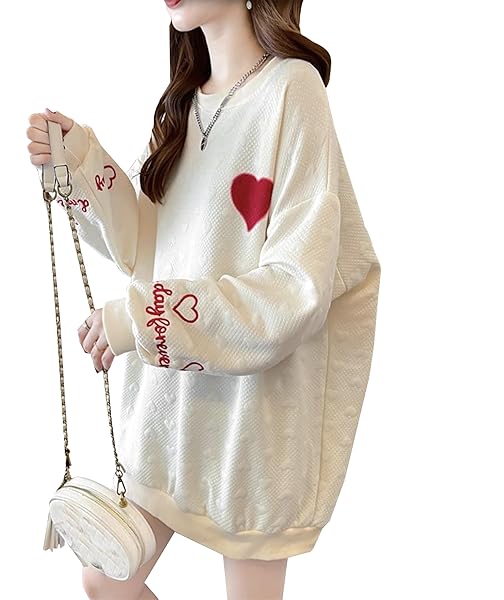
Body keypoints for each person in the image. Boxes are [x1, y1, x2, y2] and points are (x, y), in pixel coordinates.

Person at [26, 1, 381, 598]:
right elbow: (148, 244)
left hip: (252, 425)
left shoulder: (292, 90)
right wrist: (80, 162)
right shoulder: (185, 104)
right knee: (106, 581)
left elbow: (296, 288)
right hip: (171, 414)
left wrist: (141, 320)